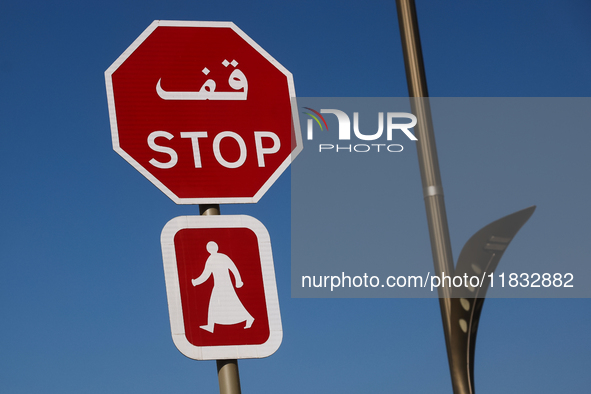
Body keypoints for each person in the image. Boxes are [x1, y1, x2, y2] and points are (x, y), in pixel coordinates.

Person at [192, 241, 254, 333]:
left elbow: (206, 274)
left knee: (229, 303)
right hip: (223, 284)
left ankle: (249, 318)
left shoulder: (212, 259)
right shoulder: (222, 257)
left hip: (221, 285)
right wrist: (238, 280)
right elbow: (233, 269)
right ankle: (210, 325)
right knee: (222, 303)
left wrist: (195, 282)